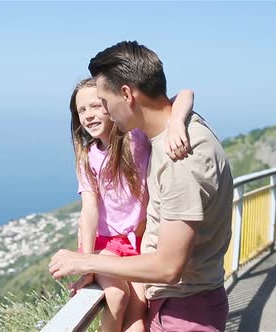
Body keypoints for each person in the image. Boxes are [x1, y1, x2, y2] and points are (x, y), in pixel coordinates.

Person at [50, 41, 234, 332]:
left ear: (126, 94)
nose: (104, 111)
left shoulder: (179, 157)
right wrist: (176, 120)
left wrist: (85, 262)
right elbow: (183, 97)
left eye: (104, 101)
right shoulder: (176, 132)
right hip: (180, 304)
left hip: (183, 313)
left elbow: (168, 267)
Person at [68, 77, 193, 331]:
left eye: (96, 106)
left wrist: (177, 122)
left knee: (138, 310)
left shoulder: (136, 137)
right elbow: (89, 211)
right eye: (82, 110)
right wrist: (87, 262)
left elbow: (185, 94)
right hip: (106, 246)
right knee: (117, 296)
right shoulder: (87, 157)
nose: (88, 115)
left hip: (139, 241)